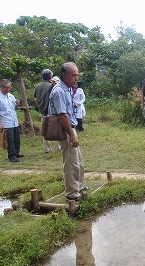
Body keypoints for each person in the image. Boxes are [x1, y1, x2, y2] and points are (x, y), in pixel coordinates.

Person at [49, 62, 85, 201]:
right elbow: (62, 115)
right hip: (65, 130)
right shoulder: (59, 91)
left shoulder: (67, 89)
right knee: (71, 163)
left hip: (70, 128)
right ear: (64, 75)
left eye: (77, 75)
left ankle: (79, 186)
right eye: (73, 75)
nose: (76, 78)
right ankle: (72, 193)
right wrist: (71, 135)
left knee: (78, 161)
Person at [0, 79, 23, 162]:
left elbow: (14, 107)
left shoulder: (10, 95)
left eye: (9, 87)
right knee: (9, 140)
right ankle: (12, 156)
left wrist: (17, 104)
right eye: (6, 87)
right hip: (6, 122)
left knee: (16, 139)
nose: (7, 89)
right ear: (1, 87)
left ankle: (16, 153)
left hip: (14, 121)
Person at [34, 69, 61, 153]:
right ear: (50, 76)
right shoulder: (51, 85)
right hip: (52, 111)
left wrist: (40, 107)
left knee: (44, 129)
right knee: (56, 128)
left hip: (43, 111)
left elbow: (35, 99)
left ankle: (47, 149)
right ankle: (57, 148)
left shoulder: (38, 86)